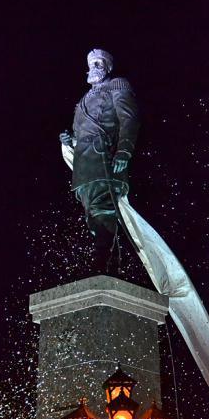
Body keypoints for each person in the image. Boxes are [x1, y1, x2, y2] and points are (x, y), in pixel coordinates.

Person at [60, 49, 140, 271]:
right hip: (84, 164)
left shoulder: (117, 85)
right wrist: (70, 140)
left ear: (108, 67)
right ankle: (108, 262)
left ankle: (101, 262)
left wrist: (124, 150)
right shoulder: (83, 100)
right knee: (92, 216)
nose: (94, 66)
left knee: (104, 209)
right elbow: (81, 133)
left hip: (106, 157)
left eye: (99, 62)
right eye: (91, 63)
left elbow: (129, 119)